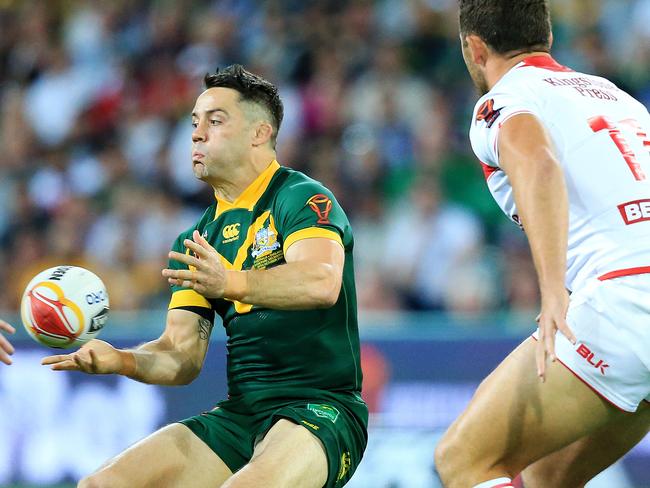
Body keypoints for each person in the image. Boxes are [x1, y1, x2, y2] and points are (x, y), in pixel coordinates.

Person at [42, 64, 368, 488]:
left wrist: (231, 282)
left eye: (215, 122)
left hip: (323, 407)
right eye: (195, 123)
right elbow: (182, 356)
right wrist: (120, 360)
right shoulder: (196, 238)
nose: (196, 134)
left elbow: (321, 282)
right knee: (100, 486)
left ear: (260, 134)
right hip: (242, 415)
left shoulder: (300, 197)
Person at [434, 1, 650, 487]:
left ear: (474, 47)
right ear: (545, 36)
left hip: (622, 307)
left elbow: (539, 163)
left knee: (462, 460)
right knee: (543, 480)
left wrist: (554, 289)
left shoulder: (505, 99)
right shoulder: (614, 96)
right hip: (635, 316)